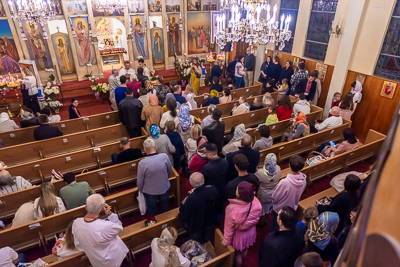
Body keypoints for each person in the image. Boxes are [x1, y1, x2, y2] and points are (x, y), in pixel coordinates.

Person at [72, 194, 128, 267]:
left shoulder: (76, 223)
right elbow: (119, 226)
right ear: (102, 209)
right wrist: (109, 213)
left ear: (86, 207)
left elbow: (79, 244)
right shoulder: (106, 226)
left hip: (96, 261)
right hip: (113, 260)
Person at [222, 181, 262, 267]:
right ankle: (243, 259)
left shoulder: (232, 209)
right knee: (245, 248)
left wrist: (226, 241)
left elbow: (229, 228)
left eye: (237, 189)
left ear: (240, 195)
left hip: (239, 235)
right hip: (250, 230)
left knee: (237, 254)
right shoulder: (256, 201)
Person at [178, 172, 219, 243]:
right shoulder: (213, 189)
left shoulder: (190, 199)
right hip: (209, 221)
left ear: (191, 183)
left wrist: (179, 215)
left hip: (196, 227)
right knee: (208, 240)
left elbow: (184, 216)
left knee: (196, 243)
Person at [138, 139, 172, 216]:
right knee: (165, 207)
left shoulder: (142, 163)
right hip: (164, 186)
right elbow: (169, 171)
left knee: (152, 210)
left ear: (145, 150)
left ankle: (154, 225)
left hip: (149, 191)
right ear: (155, 147)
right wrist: (165, 180)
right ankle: (166, 223)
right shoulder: (164, 157)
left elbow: (140, 181)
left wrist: (140, 190)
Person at [271, 155, 306, 230]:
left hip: (280, 209)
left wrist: (273, 201)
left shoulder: (285, 182)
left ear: (289, 165)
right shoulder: (303, 179)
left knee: (275, 226)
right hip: (292, 207)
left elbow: (275, 197)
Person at [255, 153, 281, 218]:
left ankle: (261, 222)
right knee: (269, 208)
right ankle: (266, 217)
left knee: (261, 209)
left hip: (263, 194)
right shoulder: (278, 169)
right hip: (273, 192)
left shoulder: (260, 172)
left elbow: (255, 180)